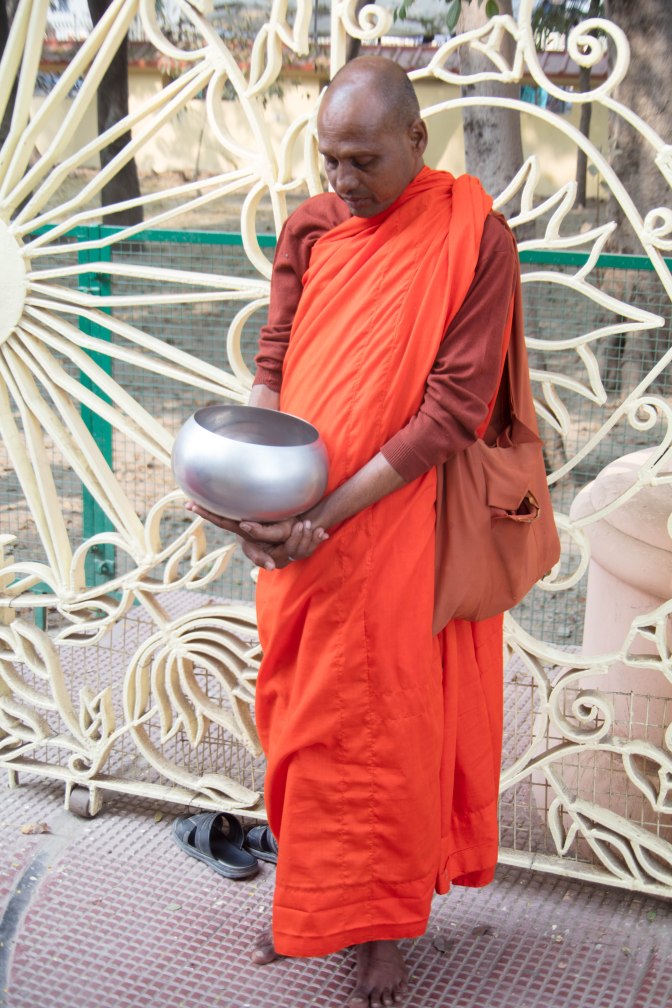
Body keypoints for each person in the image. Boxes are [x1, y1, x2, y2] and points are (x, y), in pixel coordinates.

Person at [187, 55, 520, 1008]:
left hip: (395, 527)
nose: (342, 180)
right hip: (298, 527)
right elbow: (276, 355)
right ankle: (313, 900)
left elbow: (450, 412)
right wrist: (255, 483)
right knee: (304, 725)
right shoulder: (312, 227)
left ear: (418, 142)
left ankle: (381, 929)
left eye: (363, 159)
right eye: (329, 158)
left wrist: (321, 520)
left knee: (387, 732)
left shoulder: (473, 238)